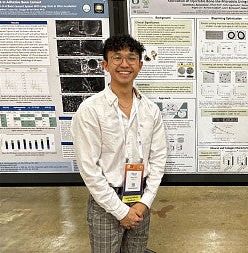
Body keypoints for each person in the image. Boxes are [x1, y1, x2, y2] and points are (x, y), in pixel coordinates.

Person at [71, 34, 167, 253]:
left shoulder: (151, 110)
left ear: (140, 65)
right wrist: (121, 211)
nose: (125, 64)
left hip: (141, 198)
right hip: (105, 201)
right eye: (117, 58)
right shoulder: (90, 110)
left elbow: (158, 158)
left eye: (131, 58)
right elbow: (89, 169)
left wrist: (145, 202)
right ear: (105, 65)